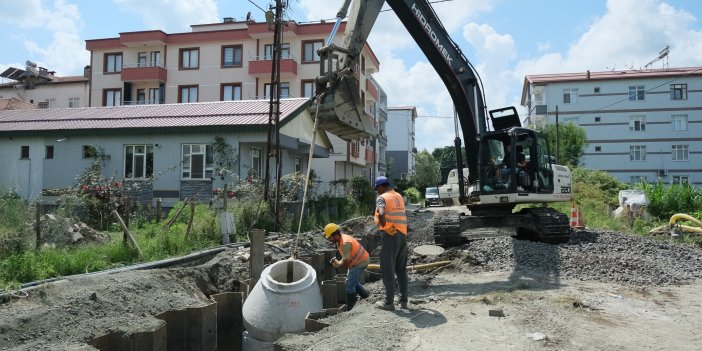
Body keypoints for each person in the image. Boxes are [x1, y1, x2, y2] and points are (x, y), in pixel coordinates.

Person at [372, 176, 409, 311]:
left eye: (377, 188)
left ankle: (388, 302)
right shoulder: (398, 195)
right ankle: (403, 301)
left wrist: (385, 226)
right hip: (402, 235)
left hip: (390, 234)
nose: (377, 191)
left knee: (387, 269)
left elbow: (381, 213)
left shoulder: (382, 198)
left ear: (382, 186)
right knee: (401, 269)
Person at [323, 223, 370, 311]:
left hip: (360, 262)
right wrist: (338, 262)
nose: (328, 239)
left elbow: (345, 263)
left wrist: (337, 264)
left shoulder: (345, 243)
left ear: (335, 235)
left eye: (329, 237)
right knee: (352, 281)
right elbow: (346, 258)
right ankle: (366, 296)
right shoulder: (341, 239)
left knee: (349, 284)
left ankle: (351, 308)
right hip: (358, 260)